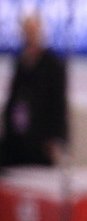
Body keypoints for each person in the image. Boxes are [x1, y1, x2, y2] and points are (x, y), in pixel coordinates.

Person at [1, 12, 69, 167]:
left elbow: (59, 104)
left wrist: (57, 138)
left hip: (41, 138)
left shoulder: (53, 65)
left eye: (33, 31)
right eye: (26, 31)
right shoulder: (20, 61)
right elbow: (13, 98)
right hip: (16, 137)